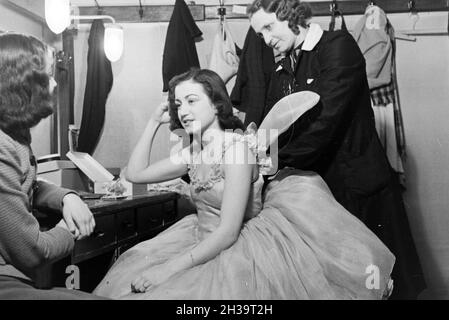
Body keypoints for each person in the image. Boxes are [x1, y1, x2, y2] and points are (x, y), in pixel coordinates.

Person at [93, 68, 395, 300]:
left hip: (238, 250)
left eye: (192, 101)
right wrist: (152, 123)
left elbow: (227, 232)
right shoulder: (192, 151)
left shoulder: (236, 149)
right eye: (177, 103)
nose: (182, 110)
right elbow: (135, 174)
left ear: (215, 105)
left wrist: (167, 269)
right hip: (198, 240)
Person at [247, 0, 426, 299]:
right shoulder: (285, 65)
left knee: (384, 283)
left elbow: (325, 120)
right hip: (320, 192)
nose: (266, 40)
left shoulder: (337, 46)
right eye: (260, 34)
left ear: (290, 16)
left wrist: (275, 158)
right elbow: (275, 120)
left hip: (358, 187)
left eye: (268, 27)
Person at [0, 32, 105, 299]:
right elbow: (32, 252)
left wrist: (66, 197)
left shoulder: (15, 133)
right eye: (48, 75)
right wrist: (70, 229)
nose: (55, 82)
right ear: (24, 83)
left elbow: (28, 184)